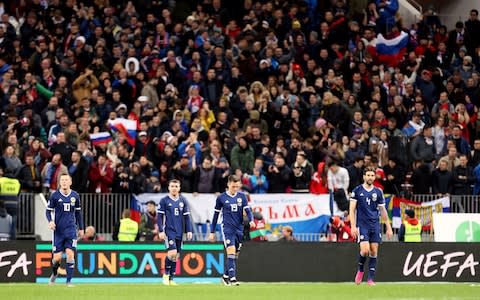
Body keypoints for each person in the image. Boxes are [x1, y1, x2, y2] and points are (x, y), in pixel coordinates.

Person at [209, 175, 255, 286]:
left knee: (235, 255)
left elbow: (247, 210)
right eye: (233, 186)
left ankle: (225, 276)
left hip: (239, 229)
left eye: (237, 186)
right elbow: (215, 216)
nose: (235, 188)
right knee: (231, 252)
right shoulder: (221, 198)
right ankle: (233, 279)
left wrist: (251, 220)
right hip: (227, 229)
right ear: (228, 184)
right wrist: (212, 232)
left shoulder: (242, 196)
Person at [349, 167, 393, 286]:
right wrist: (352, 227)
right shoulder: (357, 190)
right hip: (362, 225)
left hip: (375, 224)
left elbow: (383, 210)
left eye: (372, 175)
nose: (370, 177)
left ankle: (370, 279)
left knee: (374, 251)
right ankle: (361, 270)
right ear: (364, 177)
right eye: (368, 175)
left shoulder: (378, 191)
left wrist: (388, 227)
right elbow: (352, 210)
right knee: (365, 250)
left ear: (375, 177)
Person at [46, 174, 84, 286]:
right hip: (58, 231)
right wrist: (50, 221)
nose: (64, 182)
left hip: (71, 230)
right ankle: (54, 274)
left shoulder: (75, 196)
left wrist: (81, 228)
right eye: (62, 180)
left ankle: (68, 282)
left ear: (70, 182)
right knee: (57, 258)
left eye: (66, 180)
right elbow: (48, 211)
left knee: (70, 254)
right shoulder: (55, 196)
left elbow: (78, 213)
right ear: (59, 182)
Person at [157, 179, 193, 286]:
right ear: (168, 188)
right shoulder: (164, 200)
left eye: (176, 186)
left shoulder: (183, 201)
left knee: (176, 256)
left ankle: (172, 278)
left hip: (179, 231)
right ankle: (166, 274)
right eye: (172, 186)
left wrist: (189, 230)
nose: (174, 188)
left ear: (179, 188)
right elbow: (159, 217)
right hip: (169, 231)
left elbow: (187, 218)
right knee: (172, 253)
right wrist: (160, 230)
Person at [0, 168, 21, 240]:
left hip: (3, 205)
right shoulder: (16, 182)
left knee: (2, 222)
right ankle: (13, 240)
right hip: (14, 205)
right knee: (13, 223)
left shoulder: (1, 180)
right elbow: (18, 193)